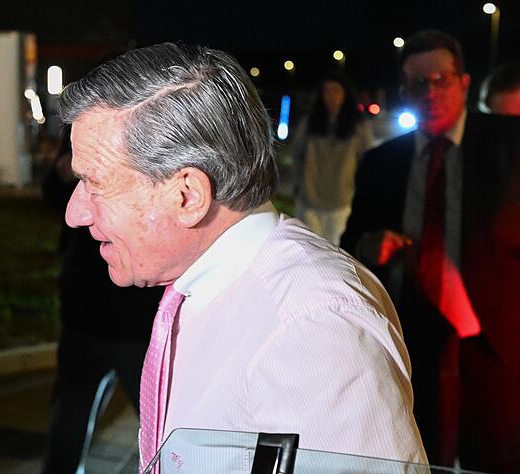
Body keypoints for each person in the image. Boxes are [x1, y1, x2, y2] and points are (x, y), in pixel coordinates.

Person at [58, 42, 426, 470]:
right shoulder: (208, 286)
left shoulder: (314, 325)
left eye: (94, 183)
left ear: (188, 195)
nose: (74, 212)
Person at [342, 30, 520, 472]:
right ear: (404, 91)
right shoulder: (381, 164)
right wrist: (368, 244)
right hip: (412, 342)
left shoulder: (511, 145)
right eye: (417, 83)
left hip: (497, 344)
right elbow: (350, 247)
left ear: (463, 82)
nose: (430, 92)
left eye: (441, 79)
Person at [41, 129, 162, 473]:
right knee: (70, 417)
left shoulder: (149, 129)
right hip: (85, 309)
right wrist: (60, 174)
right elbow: (54, 199)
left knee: (162, 426)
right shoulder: (82, 127)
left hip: (137, 318)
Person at [293, 73, 373, 244]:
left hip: (341, 201)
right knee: (308, 251)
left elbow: (367, 161)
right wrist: (299, 184)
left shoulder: (358, 126)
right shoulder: (310, 123)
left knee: (334, 252)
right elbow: (297, 154)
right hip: (309, 199)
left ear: (345, 93)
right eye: (326, 91)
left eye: (336, 90)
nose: (331, 96)